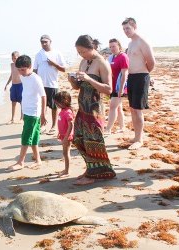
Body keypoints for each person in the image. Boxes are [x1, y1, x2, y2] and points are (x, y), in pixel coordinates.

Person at [68, 35, 116, 185]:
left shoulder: (102, 63)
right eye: (79, 52)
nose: (81, 55)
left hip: (94, 108)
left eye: (83, 51)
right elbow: (78, 87)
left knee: (93, 141)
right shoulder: (84, 62)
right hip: (83, 107)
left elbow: (109, 90)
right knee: (78, 138)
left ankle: (96, 174)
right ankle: (91, 168)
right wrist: (73, 81)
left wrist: (89, 79)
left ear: (92, 48)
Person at [7, 55, 47, 171]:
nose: (21, 72)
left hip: (34, 112)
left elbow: (44, 96)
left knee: (26, 137)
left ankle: (20, 162)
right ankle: (38, 159)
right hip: (27, 111)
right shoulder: (23, 76)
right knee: (33, 137)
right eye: (19, 70)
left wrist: (43, 114)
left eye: (23, 69)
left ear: (30, 66)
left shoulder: (36, 79)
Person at [122, 17, 155, 150]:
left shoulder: (142, 41)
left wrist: (144, 74)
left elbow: (151, 62)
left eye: (128, 28)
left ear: (134, 26)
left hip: (141, 77)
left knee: (138, 109)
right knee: (132, 108)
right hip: (131, 77)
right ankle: (136, 136)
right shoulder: (130, 43)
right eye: (124, 29)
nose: (126, 31)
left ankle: (140, 139)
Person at [33, 34, 66, 135]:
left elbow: (64, 69)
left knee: (54, 106)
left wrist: (54, 64)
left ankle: (53, 126)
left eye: (45, 42)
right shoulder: (38, 54)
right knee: (42, 106)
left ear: (50, 42)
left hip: (52, 84)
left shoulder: (57, 53)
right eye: (42, 42)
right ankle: (42, 126)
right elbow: (35, 69)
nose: (43, 44)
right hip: (41, 85)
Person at [104, 38, 129, 135]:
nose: (112, 48)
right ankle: (122, 127)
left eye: (114, 46)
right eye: (110, 47)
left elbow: (124, 74)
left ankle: (108, 129)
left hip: (119, 87)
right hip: (112, 86)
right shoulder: (112, 57)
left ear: (119, 45)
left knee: (112, 107)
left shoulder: (123, 56)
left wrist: (121, 89)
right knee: (118, 107)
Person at [54, 91, 74, 177]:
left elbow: (71, 125)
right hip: (63, 135)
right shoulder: (63, 110)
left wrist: (66, 137)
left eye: (57, 103)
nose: (56, 105)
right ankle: (66, 169)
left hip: (67, 136)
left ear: (64, 101)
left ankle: (67, 171)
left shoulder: (68, 112)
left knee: (66, 153)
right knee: (64, 153)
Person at [4, 51, 23, 124]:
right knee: (13, 102)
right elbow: (12, 74)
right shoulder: (12, 65)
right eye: (12, 58)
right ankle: (12, 118)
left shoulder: (21, 65)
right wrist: (7, 84)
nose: (14, 59)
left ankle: (22, 118)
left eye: (15, 58)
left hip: (20, 85)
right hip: (14, 85)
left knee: (22, 102)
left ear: (18, 57)